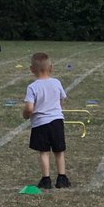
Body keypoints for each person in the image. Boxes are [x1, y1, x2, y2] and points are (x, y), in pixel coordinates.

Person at [23, 52, 69, 189]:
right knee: (59, 151)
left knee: (44, 152)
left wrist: (25, 115)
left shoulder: (32, 87)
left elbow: (29, 108)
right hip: (57, 121)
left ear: (31, 69)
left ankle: (46, 179)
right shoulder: (56, 82)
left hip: (40, 124)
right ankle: (62, 178)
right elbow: (61, 99)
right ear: (51, 67)